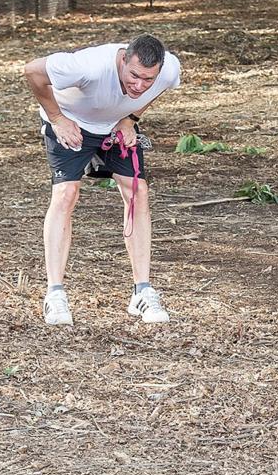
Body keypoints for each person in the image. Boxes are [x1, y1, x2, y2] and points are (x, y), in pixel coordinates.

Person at [23, 34, 181, 326]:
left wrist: (130, 118)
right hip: (70, 122)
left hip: (114, 127)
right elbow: (32, 70)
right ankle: (55, 294)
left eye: (148, 79)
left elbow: (157, 88)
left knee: (138, 192)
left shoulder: (168, 70)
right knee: (66, 194)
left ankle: (142, 292)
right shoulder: (87, 66)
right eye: (134, 76)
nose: (139, 85)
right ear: (123, 59)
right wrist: (57, 119)